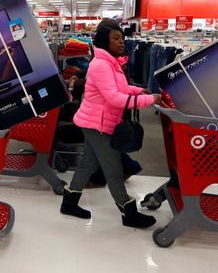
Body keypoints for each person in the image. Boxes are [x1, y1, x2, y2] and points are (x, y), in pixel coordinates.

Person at [60, 20, 161, 229]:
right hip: (98, 124)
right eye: (115, 38)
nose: (121, 42)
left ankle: (69, 203)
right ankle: (128, 212)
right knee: (113, 168)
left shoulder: (111, 63)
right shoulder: (101, 65)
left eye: (122, 39)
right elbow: (114, 98)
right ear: (104, 40)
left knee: (88, 163)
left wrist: (138, 91)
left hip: (96, 122)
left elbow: (121, 88)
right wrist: (150, 101)